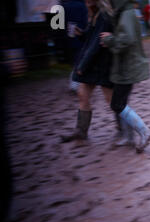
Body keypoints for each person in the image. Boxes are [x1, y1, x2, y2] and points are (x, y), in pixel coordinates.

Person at [61, 0, 134, 145]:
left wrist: (82, 65)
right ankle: (81, 131)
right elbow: (91, 37)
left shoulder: (104, 16)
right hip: (93, 64)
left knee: (113, 101)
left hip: (101, 65)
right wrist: (81, 33)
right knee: (82, 95)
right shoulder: (95, 15)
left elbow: (96, 45)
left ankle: (128, 131)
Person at [100, 0, 150, 153]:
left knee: (117, 104)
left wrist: (109, 39)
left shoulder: (126, 13)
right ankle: (129, 137)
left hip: (127, 67)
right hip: (125, 66)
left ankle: (145, 131)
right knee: (121, 103)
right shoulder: (125, 12)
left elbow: (127, 39)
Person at [62, 0, 88, 92]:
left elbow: (61, 21)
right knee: (80, 56)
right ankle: (75, 81)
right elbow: (85, 20)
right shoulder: (82, 5)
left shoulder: (65, 5)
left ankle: (75, 80)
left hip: (69, 33)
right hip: (81, 32)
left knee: (75, 56)